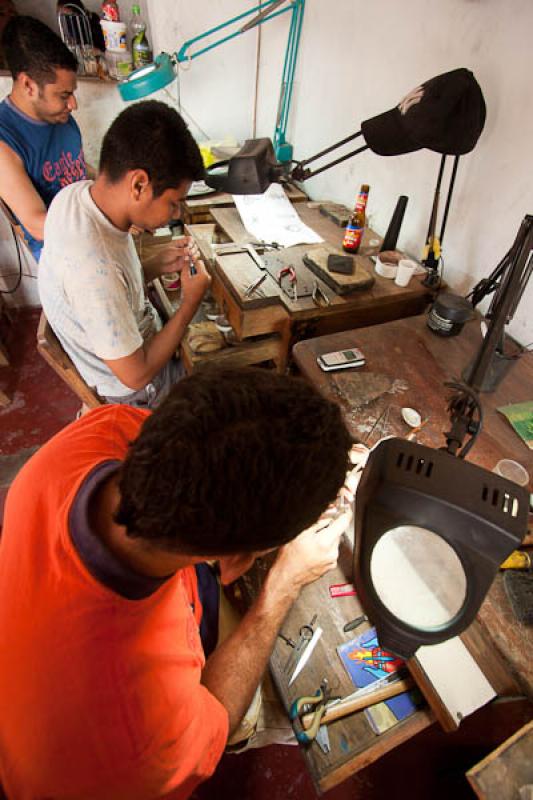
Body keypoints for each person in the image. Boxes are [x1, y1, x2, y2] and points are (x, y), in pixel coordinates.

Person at [0, 366, 354, 799]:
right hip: (78, 759)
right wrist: (282, 583)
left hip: (44, 644)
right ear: (234, 562)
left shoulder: (104, 431)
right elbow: (218, 718)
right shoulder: (143, 731)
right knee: (258, 705)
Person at [38, 99, 210, 408]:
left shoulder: (74, 196)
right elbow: (137, 374)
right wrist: (189, 304)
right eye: (173, 203)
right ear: (139, 184)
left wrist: (155, 265)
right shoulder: (92, 269)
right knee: (224, 381)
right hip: (136, 394)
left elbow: (113, 284)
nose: (176, 214)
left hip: (131, 342)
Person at [0, 15, 89, 261]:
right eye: (64, 95)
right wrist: (107, 217)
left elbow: (77, 167)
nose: (73, 104)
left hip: (90, 232)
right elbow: (38, 224)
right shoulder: (5, 141)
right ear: (28, 85)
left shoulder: (58, 115)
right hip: (62, 260)